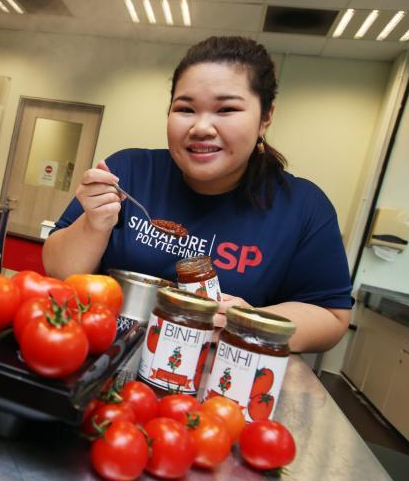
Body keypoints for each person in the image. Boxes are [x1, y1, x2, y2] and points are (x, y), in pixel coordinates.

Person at [42, 36, 352, 353]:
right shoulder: (129, 172)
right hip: (98, 354)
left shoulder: (303, 207)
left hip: (217, 379)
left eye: (226, 109)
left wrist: (250, 323)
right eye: (186, 109)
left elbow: (331, 316)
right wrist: (94, 224)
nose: (201, 127)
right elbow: (57, 270)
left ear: (266, 117)